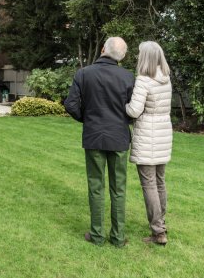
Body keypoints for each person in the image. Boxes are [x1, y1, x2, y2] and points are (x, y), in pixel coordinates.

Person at [64, 37, 135, 248]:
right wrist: (124, 121)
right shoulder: (128, 77)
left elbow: (71, 105)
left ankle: (97, 235)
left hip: (94, 136)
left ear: (103, 49)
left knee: (96, 187)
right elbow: (134, 109)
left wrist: (87, 119)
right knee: (119, 188)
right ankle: (118, 237)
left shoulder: (84, 73)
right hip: (119, 137)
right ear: (122, 57)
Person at [125, 41, 173, 246]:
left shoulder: (143, 80)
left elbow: (134, 110)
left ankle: (158, 231)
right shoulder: (166, 79)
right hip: (163, 133)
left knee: (149, 184)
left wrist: (123, 105)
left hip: (147, 135)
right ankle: (161, 223)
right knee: (160, 181)